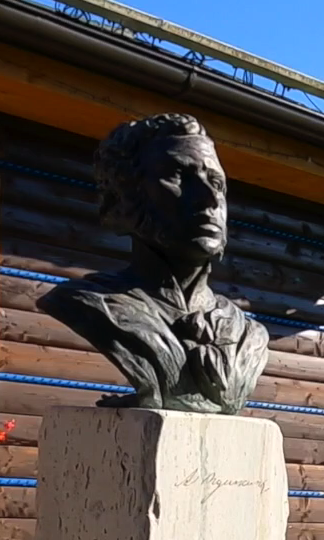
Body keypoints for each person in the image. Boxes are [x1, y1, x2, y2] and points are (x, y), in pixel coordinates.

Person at [38, 113, 268, 414]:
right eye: (178, 176)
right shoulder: (88, 304)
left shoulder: (249, 335)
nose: (209, 199)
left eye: (216, 183)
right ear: (123, 198)